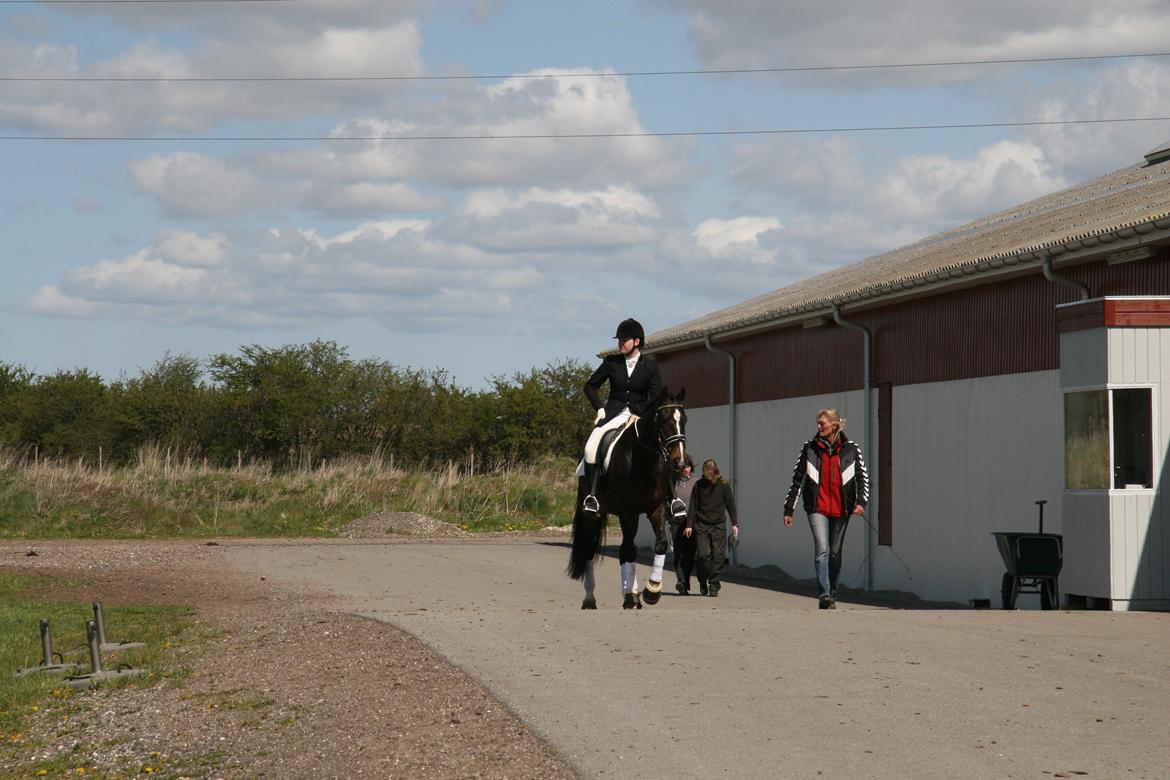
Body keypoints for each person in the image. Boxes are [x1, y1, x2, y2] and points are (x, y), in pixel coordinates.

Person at [782, 409, 869, 609]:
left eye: (822, 423)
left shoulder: (851, 449)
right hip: (817, 508)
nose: (818, 426)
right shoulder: (809, 449)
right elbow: (798, 480)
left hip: (842, 509)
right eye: (817, 423)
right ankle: (824, 594)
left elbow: (862, 478)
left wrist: (861, 503)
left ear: (834, 425)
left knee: (835, 553)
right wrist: (789, 509)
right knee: (822, 548)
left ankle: (833, 593)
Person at [578, 318, 663, 515]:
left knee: (665, 450)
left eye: (625, 339)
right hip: (614, 414)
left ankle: (673, 497)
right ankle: (592, 497)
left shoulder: (650, 367)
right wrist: (599, 408)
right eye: (620, 339)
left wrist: (643, 416)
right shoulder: (611, 362)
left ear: (637, 341)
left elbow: (656, 396)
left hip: (639, 417)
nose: (620, 343)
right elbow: (590, 386)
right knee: (590, 448)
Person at [684, 459, 738, 597]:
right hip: (702, 525)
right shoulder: (699, 485)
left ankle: (714, 585)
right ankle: (703, 581)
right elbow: (693, 507)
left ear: (715, 472)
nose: (708, 477)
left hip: (719, 525)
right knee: (702, 556)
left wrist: (735, 524)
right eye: (705, 474)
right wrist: (689, 525)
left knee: (718, 557)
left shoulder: (724, 485)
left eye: (710, 474)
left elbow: (730, 505)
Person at [670, 455, 697, 594]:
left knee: (690, 554)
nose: (685, 469)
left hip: (692, 522)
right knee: (678, 552)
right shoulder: (673, 482)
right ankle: (681, 581)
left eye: (687, 466)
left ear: (691, 467)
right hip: (676, 521)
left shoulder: (697, 482)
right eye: (683, 467)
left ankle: (686, 581)